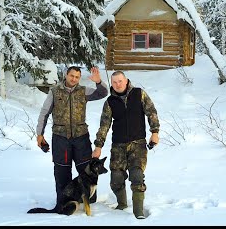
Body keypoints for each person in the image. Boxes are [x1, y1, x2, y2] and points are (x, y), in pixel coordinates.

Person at [36, 66, 109, 212]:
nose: (74, 79)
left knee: (87, 170)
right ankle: (64, 204)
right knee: (62, 171)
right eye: (72, 75)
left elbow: (103, 92)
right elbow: (44, 112)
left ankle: (89, 200)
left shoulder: (83, 91)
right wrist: (40, 134)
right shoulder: (55, 91)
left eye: (77, 76)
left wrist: (99, 81)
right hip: (61, 138)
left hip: (81, 138)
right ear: (66, 75)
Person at [92, 70, 159, 219]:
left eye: (120, 81)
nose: (117, 84)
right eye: (114, 82)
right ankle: (122, 204)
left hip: (138, 144)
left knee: (136, 175)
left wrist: (155, 132)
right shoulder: (110, 102)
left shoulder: (139, 93)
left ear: (126, 80)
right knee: (116, 178)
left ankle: (138, 212)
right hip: (118, 145)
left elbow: (151, 112)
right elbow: (104, 125)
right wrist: (98, 145)